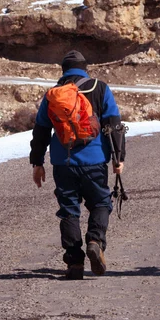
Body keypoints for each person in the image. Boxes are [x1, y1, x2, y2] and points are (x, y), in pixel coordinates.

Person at [30, 50, 126, 280]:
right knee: (101, 202)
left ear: (63, 71)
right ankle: (95, 241)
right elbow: (113, 124)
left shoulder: (53, 95)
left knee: (69, 210)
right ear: (85, 69)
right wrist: (118, 158)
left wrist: (37, 162)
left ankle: (74, 263)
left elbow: (41, 129)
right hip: (94, 160)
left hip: (63, 162)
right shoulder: (100, 88)